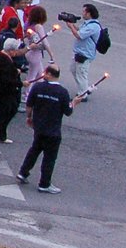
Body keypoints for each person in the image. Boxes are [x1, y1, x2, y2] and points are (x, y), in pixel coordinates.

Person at [17, 64, 84, 193]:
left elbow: (29, 105)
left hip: (39, 127)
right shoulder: (62, 92)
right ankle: (44, 183)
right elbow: (68, 111)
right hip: (53, 131)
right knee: (49, 158)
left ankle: (23, 172)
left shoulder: (37, 87)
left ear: (48, 73)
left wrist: (29, 118)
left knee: (34, 150)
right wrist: (74, 102)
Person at [59, 3, 103, 100]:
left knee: (81, 74)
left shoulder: (93, 26)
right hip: (80, 52)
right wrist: (72, 25)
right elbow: (81, 30)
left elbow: (79, 35)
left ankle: (83, 95)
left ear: (89, 13)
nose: (82, 13)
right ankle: (83, 89)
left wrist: (71, 27)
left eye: (84, 11)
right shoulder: (89, 23)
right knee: (74, 70)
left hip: (85, 54)